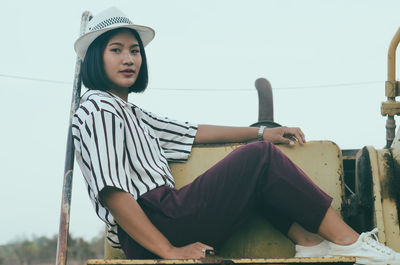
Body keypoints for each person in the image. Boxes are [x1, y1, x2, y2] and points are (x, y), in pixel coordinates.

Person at [72, 7, 400, 265]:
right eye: (116, 50)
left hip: (164, 216)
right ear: (96, 59)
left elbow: (192, 132)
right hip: (156, 223)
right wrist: (169, 250)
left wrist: (260, 132)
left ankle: (311, 244)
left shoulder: (131, 113)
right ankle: (351, 243)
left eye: (134, 51)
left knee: (257, 174)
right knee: (259, 159)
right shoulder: (98, 108)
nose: (129, 59)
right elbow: (114, 192)